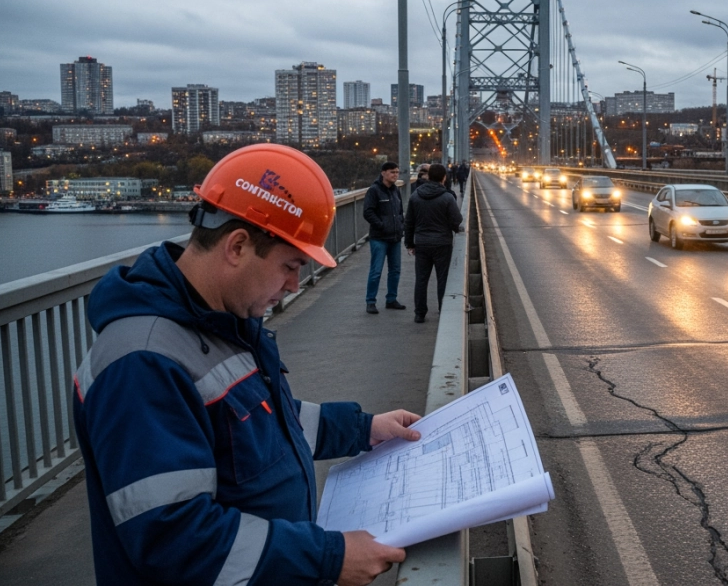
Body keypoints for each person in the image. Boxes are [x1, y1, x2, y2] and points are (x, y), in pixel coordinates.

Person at [73, 143, 421, 586]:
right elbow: (174, 538)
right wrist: (327, 557)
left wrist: (363, 429)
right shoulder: (142, 363)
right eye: (290, 265)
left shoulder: (220, 319)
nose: (296, 285)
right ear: (237, 246)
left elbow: (261, 424)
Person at [404, 163, 463, 323]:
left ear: (428, 177)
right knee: (443, 278)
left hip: (422, 244)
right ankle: (443, 309)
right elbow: (456, 220)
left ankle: (419, 313)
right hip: (442, 243)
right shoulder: (447, 197)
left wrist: (409, 243)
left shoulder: (416, 195)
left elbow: (409, 222)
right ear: (444, 177)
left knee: (421, 279)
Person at [362, 161, 405, 313]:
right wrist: (381, 225)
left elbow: (400, 211)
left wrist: (400, 225)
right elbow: (368, 212)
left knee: (395, 270)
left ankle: (391, 299)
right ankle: (370, 301)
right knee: (376, 271)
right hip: (379, 238)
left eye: (397, 172)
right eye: (392, 172)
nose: (395, 175)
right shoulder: (374, 191)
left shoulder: (395, 191)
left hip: (395, 237)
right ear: (383, 173)